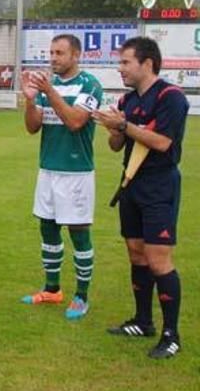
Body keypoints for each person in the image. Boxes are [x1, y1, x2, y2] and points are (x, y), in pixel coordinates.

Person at [93, 37, 189, 359]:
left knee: (159, 259)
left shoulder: (171, 98)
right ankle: (143, 321)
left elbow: (162, 143)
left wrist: (123, 124)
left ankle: (171, 334)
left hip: (160, 186)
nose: (120, 69)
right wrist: (115, 129)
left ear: (147, 63)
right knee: (136, 253)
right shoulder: (128, 100)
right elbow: (117, 147)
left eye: (125, 63)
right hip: (131, 184)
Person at [20, 34, 103, 320]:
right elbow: (33, 128)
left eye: (60, 53)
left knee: (78, 232)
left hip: (76, 172)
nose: (53, 58)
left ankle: (81, 295)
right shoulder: (47, 85)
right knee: (48, 229)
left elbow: (75, 121)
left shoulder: (90, 84)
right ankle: (52, 289)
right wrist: (31, 101)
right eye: (51, 53)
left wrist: (48, 91)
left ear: (76, 55)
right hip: (48, 169)